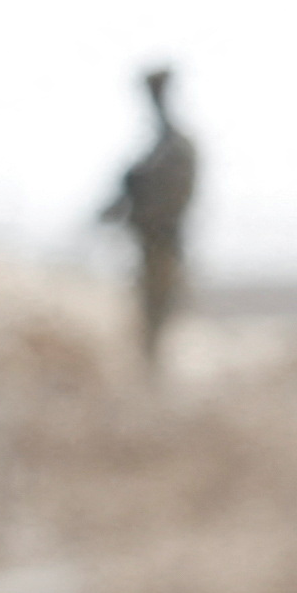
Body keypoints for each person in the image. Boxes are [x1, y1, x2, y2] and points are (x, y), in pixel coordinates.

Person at [100, 63, 200, 370]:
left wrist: (138, 207)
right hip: (147, 246)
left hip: (164, 246)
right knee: (145, 320)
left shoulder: (177, 149)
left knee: (158, 320)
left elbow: (169, 200)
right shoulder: (156, 150)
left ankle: (157, 379)